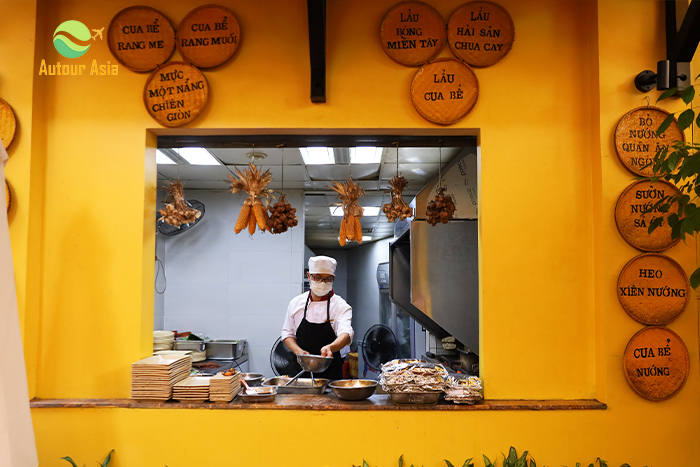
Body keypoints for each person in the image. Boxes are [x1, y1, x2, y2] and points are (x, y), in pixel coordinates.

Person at [281, 256, 353, 380]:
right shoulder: (296, 303)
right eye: (318, 278)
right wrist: (298, 351)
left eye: (328, 279)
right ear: (309, 276)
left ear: (333, 279)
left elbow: (345, 334)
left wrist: (330, 347)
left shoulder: (341, 306)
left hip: (331, 376)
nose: (322, 283)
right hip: (301, 373)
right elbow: (287, 333)